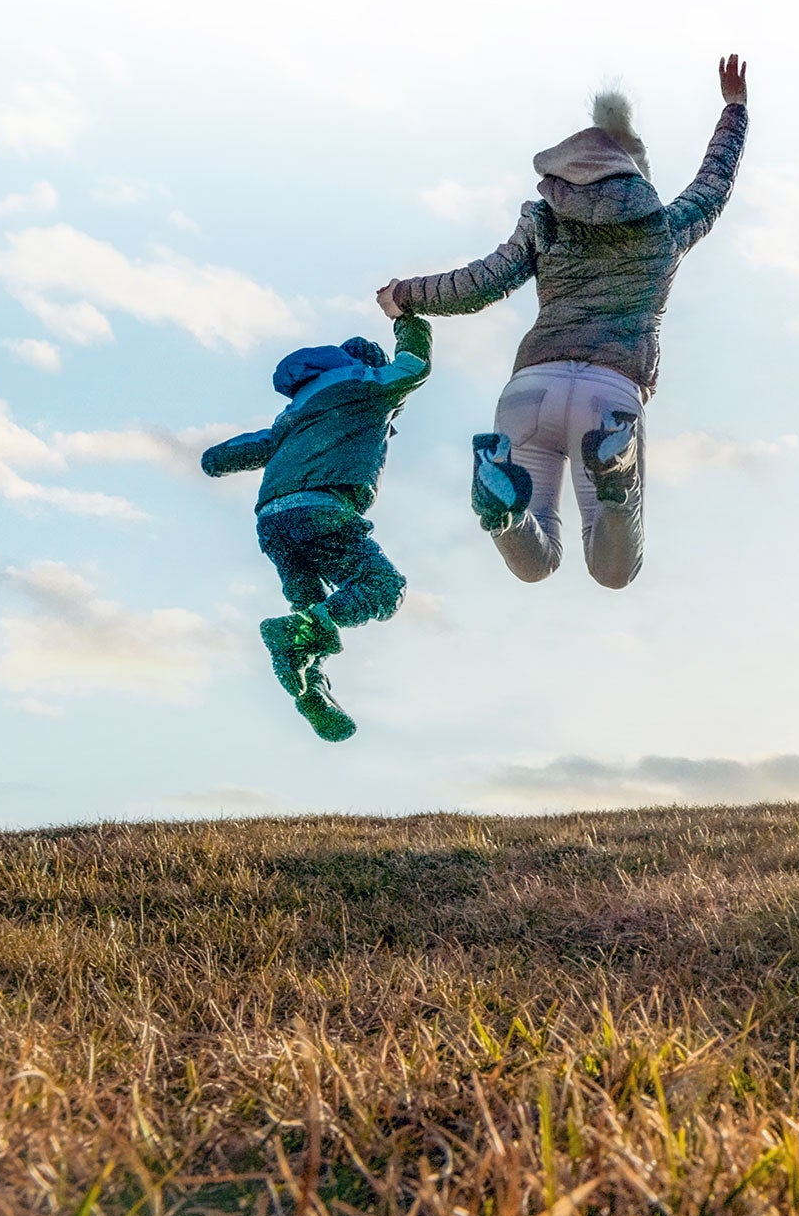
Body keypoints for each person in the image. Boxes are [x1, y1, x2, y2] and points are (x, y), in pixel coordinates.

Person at [376, 54, 749, 589]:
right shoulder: (663, 230)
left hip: (533, 388)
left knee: (535, 562)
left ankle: (503, 507)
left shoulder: (543, 223)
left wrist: (404, 296)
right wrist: (734, 109)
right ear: (635, 177)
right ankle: (613, 469)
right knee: (614, 570)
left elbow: (482, 282)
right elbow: (713, 185)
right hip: (611, 393)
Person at [200, 314, 433, 741]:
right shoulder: (369, 386)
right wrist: (409, 318)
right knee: (383, 587)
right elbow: (414, 367)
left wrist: (213, 460)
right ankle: (298, 638)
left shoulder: (296, 411)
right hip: (321, 510)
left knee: (309, 609)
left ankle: (312, 687)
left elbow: (247, 448)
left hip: (272, 521)